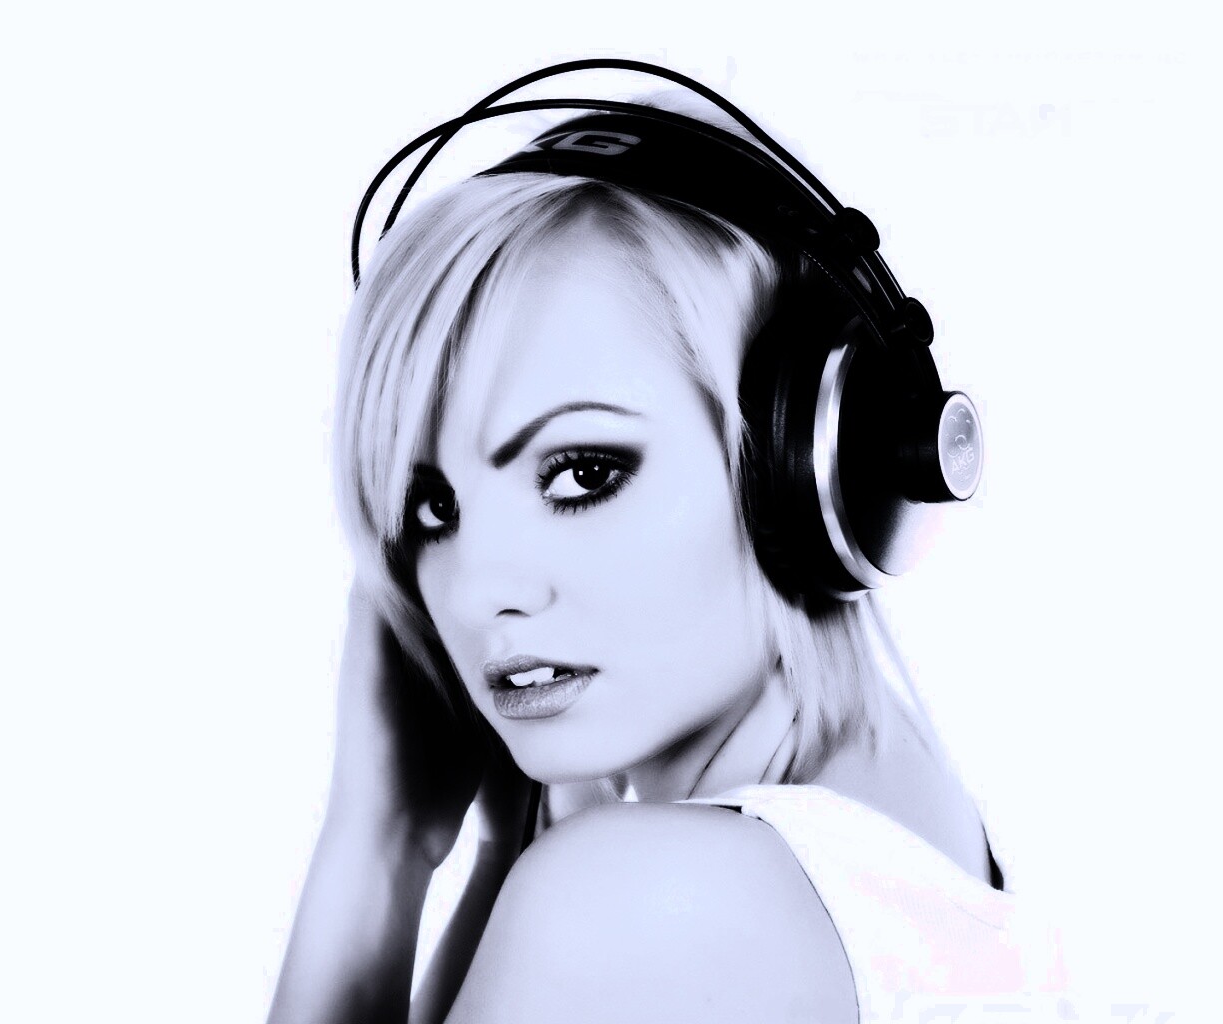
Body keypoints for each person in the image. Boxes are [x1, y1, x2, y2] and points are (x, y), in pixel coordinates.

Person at [268, 65, 1065, 1024]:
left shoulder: (617, 904)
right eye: (434, 508)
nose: (476, 590)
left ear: (811, 469)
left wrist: (378, 846)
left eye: (582, 473)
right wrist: (497, 851)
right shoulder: (918, 833)